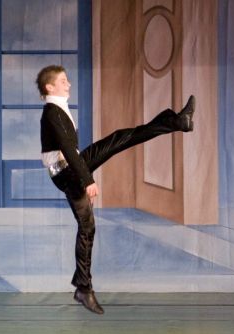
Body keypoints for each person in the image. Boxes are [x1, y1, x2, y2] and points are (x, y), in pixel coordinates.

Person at [36, 65, 195, 315]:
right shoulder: (52, 113)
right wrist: (87, 180)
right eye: (63, 81)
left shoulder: (57, 108)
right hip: (68, 173)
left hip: (72, 169)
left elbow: (70, 150)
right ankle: (84, 288)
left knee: (119, 139)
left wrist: (83, 176)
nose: (69, 84)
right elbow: (66, 149)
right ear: (50, 87)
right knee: (88, 227)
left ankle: (176, 121)